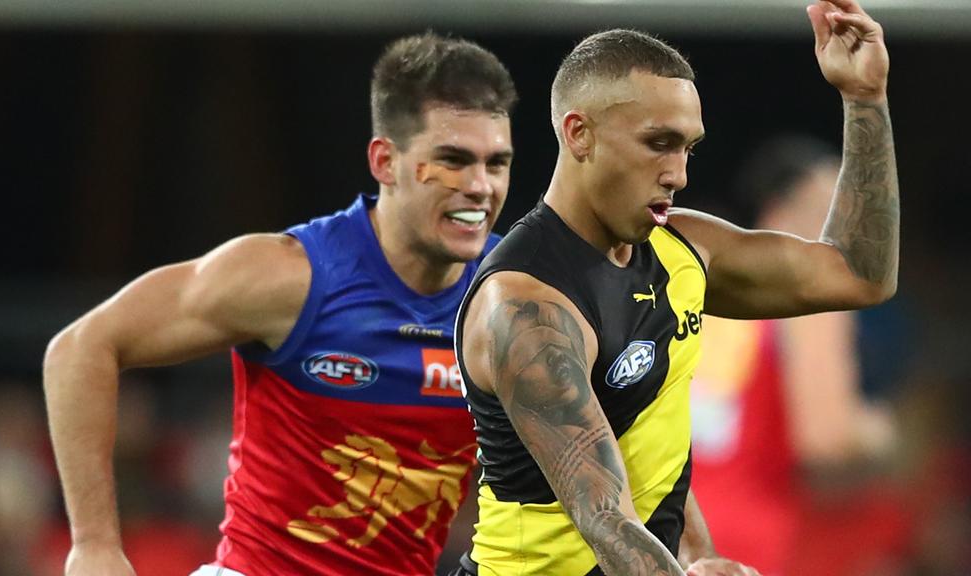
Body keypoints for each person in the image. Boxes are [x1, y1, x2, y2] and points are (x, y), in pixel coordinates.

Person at [43, 32, 517, 576]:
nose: (480, 186)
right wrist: (95, 545)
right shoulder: (292, 276)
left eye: (496, 163)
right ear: (385, 161)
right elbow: (80, 349)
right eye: (453, 160)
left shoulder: (511, 296)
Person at [453, 1, 899, 575]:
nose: (679, 173)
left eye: (688, 147)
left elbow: (858, 275)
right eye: (658, 143)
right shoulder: (525, 307)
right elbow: (605, 519)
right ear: (579, 133)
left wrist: (865, 101)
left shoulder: (682, 251)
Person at [689, 135, 900, 576]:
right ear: (778, 213)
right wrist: (880, 432)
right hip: (749, 547)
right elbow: (826, 438)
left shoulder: (693, 294)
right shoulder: (809, 303)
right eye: (829, 212)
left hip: (664, 537)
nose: (845, 233)